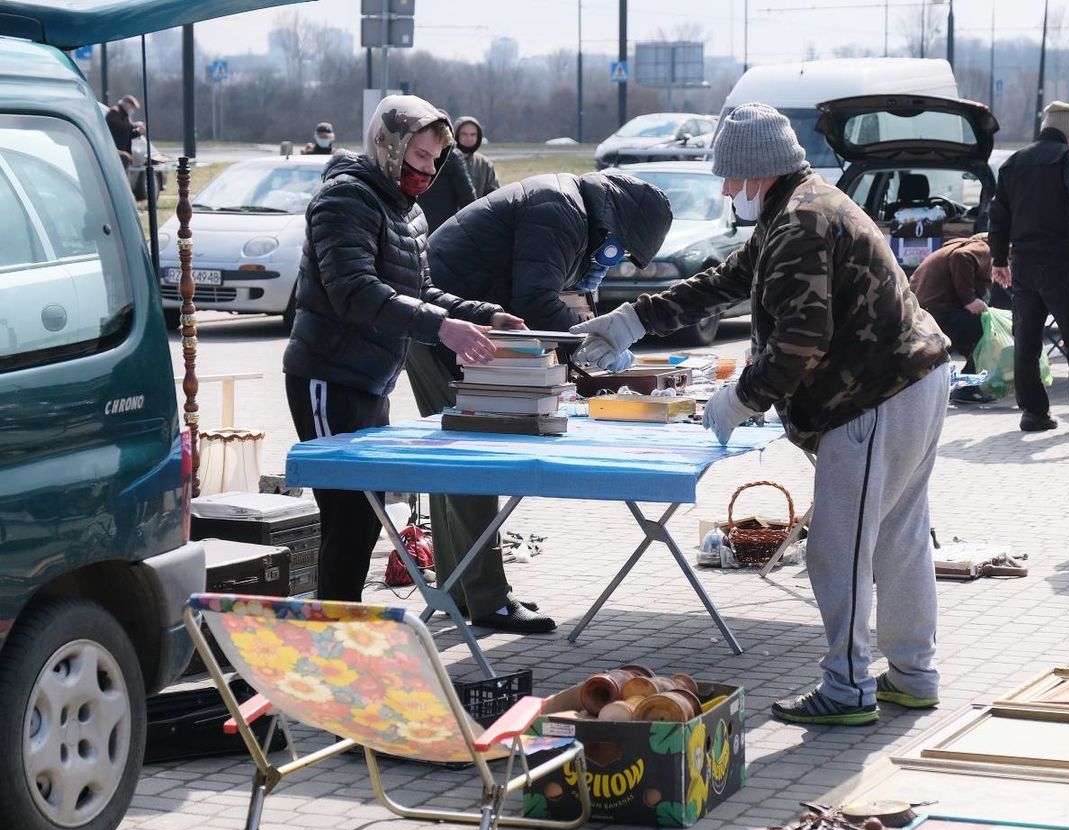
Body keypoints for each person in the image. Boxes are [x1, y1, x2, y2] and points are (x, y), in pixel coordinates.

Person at [571, 102, 951, 726]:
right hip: (911, 381)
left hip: (875, 394)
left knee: (841, 548)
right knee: (896, 538)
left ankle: (848, 689)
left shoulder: (801, 220)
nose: (725, 189)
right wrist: (634, 318)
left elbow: (803, 339)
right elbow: (727, 281)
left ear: (757, 171)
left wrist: (736, 400)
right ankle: (912, 676)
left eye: (730, 176)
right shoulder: (798, 209)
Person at [403, 171, 672, 634]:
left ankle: (460, 590)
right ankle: (488, 600)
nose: (616, 258)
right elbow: (535, 298)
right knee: (474, 459)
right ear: (614, 226)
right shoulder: (561, 210)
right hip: (445, 332)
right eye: (621, 249)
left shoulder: (567, 206)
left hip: (447, 330)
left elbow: (535, 296)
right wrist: (591, 345)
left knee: (455, 466)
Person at [283, 95, 525, 603]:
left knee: (365, 517)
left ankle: (343, 629)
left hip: (369, 380)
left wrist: (481, 314)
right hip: (329, 376)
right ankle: (335, 636)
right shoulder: (345, 199)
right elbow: (354, 291)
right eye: (420, 157)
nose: (429, 171)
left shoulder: (406, 210)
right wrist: (442, 329)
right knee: (349, 517)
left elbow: (420, 290)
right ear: (387, 147)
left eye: (436, 159)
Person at [989, 101, 1069, 433]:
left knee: (1027, 338)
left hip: (1023, 263)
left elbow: (998, 215)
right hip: (1061, 260)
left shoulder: (1013, 162)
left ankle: (1033, 413)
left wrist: (999, 259)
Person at [909, 234, 995, 404]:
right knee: (991, 330)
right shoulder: (984, 248)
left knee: (975, 334)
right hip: (938, 314)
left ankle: (962, 383)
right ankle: (967, 388)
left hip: (923, 314)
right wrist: (969, 299)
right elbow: (961, 257)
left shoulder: (956, 246)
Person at [416, 132, 477, 232]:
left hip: (419, 224)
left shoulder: (413, 154)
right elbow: (468, 198)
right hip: (444, 229)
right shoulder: (453, 156)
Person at [454, 115, 500, 198]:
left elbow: (494, 194)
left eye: (473, 134)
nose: (469, 138)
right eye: (464, 134)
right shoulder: (445, 161)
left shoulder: (485, 164)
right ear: (456, 134)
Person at [106, 95, 144, 162]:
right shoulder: (114, 112)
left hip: (125, 150)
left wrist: (138, 132)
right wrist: (135, 125)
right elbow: (121, 127)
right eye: (132, 107)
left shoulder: (126, 116)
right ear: (127, 104)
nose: (132, 110)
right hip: (116, 150)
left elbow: (128, 133)